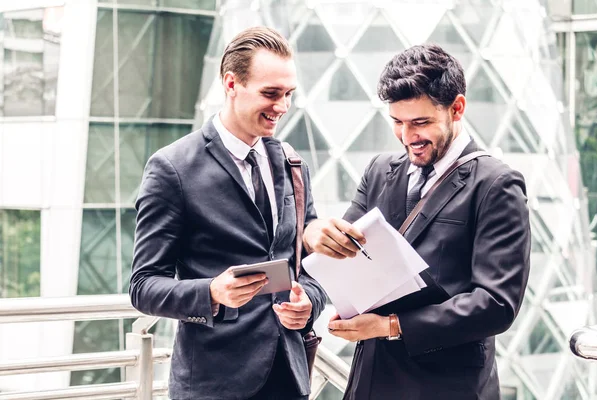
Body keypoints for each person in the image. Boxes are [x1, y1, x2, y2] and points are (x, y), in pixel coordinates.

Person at [303, 44, 531, 400]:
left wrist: (390, 326)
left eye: (421, 123)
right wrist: (318, 234)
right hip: (371, 380)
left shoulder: (496, 184)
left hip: (447, 386)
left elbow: (496, 304)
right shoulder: (379, 171)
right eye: (397, 122)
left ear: (457, 108)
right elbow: (342, 257)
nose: (408, 136)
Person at [129, 26, 327, 400]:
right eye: (270, 94)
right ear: (231, 84)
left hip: (289, 377)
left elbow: (308, 265)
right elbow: (143, 287)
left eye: (288, 95)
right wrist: (212, 292)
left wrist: (309, 303)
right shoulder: (172, 168)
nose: (282, 107)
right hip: (213, 384)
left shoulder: (290, 162)